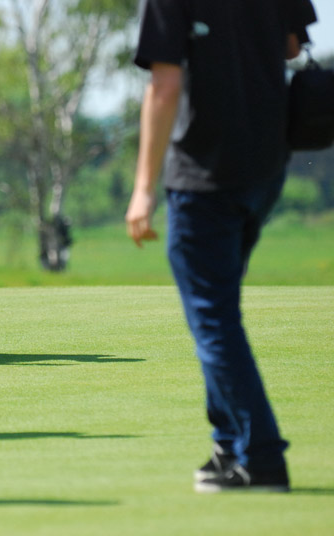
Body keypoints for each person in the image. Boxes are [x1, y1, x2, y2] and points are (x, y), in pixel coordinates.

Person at [126, 0, 317, 492]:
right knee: (219, 315)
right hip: (266, 166)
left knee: (214, 322)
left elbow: (164, 86)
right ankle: (229, 445)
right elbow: (293, 44)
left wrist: (143, 189)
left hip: (205, 176)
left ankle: (262, 457)